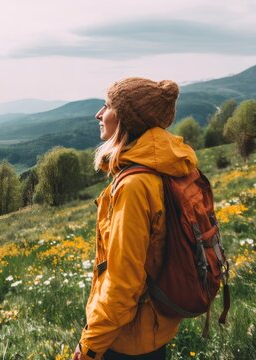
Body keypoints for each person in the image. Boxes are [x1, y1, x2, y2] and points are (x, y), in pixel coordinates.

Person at [73, 77, 197, 360]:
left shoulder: (134, 186)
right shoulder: (161, 166)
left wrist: (89, 346)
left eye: (107, 105)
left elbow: (123, 285)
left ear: (127, 118)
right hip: (152, 330)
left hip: (127, 339)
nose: (99, 114)